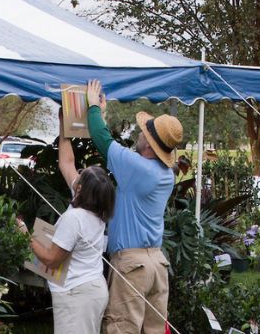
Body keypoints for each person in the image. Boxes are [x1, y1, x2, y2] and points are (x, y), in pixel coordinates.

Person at [82, 79, 181, 334]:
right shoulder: (166, 173)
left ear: (148, 145)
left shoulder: (136, 168)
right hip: (157, 264)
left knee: (121, 328)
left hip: (132, 264)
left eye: (143, 134)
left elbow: (102, 141)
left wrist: (93, 107)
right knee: (154, 330)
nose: (139, 135)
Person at [26, 136, 113, 334]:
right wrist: (64, 125)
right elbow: (67, 163)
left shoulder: (74, 219)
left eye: (81, 176)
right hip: (91, 290)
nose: (78, 175)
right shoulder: (97, 208)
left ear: (81, 189)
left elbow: (51, 260)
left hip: (77, 295)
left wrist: (26, 235)